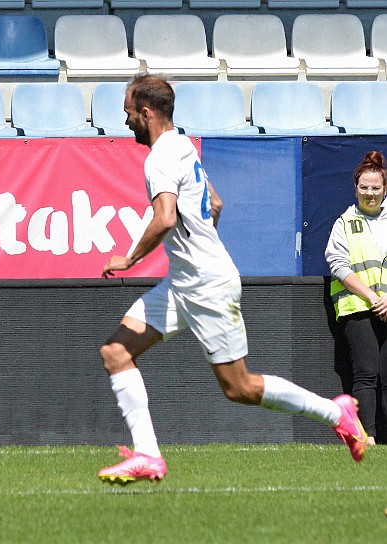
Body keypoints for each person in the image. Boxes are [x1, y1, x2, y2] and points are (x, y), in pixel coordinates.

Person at [96, 74, 368, 484]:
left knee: (238, 387)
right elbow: (216, 203)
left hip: (205, 284)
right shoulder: (181, 145)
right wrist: (200, 246)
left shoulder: (159, 158)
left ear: (146, 112)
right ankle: (148, 455)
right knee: (116, 352)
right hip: (186, 281)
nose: (127, 120)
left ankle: (337, 413)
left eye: (129, 113)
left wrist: (131, 257)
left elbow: (165, 217)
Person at [325, 151, 387, 447]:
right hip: (358, 307)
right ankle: (368, 437)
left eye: (375, 188)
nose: (370, 193)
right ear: (355, 188)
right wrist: (375, 298)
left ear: (384, 189)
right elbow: (337, 265)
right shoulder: (345, 222)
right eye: (364, 187)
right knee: (366, 374)